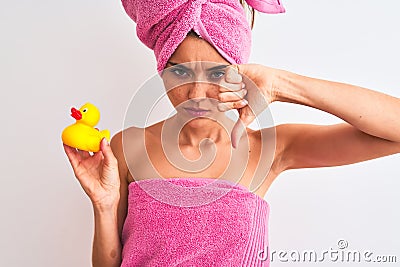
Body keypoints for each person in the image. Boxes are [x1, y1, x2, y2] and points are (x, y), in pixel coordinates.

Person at [63, 0, 400, 266]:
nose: (196, 93)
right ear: (161, 72)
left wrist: (282, 85)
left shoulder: (270, 149)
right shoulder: (128, 145)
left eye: (216, 73)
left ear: (241, 73)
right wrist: (104, 206)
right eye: (178, 72)